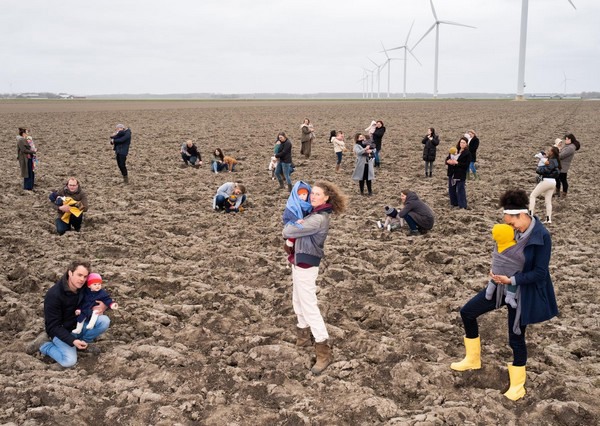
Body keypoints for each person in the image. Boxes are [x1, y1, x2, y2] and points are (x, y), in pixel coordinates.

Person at [450, 189, 558, 402]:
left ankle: (518, 385)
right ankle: (473, 359)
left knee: (515, 336)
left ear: (523, 215)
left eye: (512, 223)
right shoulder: (512, 229)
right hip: (499, 286)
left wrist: (512, 280)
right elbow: (502, 252)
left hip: (523, 292)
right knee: (467, 312)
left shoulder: (542, 236)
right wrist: (496, 270)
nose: (510, 227)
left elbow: (540, 273)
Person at [282, 181, 348, 375]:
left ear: (326, 197)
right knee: (298, 300)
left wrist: (293, 224)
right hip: (300, 260)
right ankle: (303, 337)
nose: (313, 196)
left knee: (309, 306)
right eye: (312, 193)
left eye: (317, 194)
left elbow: (287, 231)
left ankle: (323, 350)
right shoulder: (313, 213)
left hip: (307, 264)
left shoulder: (318, 218)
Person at [25, 260, 112, 368]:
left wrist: (104, 306)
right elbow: (53, 326)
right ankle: (45, 345)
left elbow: (104, 297)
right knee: (69, 361)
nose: (82, 279)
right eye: (79, 275)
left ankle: (83, 343)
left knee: (104, 321)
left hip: (78, 326)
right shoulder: (54, 294)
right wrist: (72, 340)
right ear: (70, 273)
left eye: (85, 276)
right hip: (61, 332)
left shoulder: (85, 287)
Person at [484, 224, 521, 308]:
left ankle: (489, 292)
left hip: (496, 270)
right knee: (512, 279)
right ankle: (510, 297)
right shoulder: (514, 245)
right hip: (508, 272)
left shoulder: (498, 244)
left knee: (495, 278)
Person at [530, 146, 561, 224]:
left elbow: (546, 170)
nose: (547, 152)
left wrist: (538, 169)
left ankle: (530, 215)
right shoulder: (556, 161)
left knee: (532, 196)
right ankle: (548, 219)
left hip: (546, 181)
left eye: (549, 150)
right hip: (553, 182)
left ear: (552, 152)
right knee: (548, 201)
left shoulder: (551, 161)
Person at [282, 181, 313, 255]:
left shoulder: (308, 203)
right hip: (292, 221)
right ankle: (290, 242)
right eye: (299, 195)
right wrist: (296, 220)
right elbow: (289, 213)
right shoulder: (292, 203)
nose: (302, 197)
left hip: (303, 221)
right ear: (296, 194)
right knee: (295, 232)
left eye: (304, 194)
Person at [446, 137, 472, 209]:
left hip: (460, 174)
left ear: (466, 144)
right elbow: (447, 158)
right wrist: (448, 161)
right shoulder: (454, 150)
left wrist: (457, 163)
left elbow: (466, 165)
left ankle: (462, 205)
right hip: (452, 172)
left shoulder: (467, 153)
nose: (462, 144)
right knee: (451, 189)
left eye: (464, 143)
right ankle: (454, 203)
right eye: (461, 142)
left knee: (460, 189)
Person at [556, 133, 580, 198]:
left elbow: (561, 156)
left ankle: (564, 193)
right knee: (557, 178)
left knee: (563, 180)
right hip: (561, 165)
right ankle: (557, 191)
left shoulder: (570, 148)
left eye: (566, 139)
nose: (565, 141)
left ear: (570, 140)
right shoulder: (568, 146)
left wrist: (555, 154)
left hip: (563, 166)